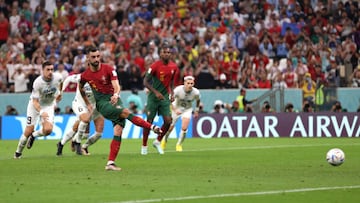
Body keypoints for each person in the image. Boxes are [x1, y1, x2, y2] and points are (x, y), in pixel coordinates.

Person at [78, 46, 162, 171]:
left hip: (115, 99)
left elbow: (116, 86)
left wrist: (116, 94)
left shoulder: (108, 69)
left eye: (98, 56)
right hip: (103, 104)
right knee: (125, 112)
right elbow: (81, 88)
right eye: (93, 57)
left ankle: (110, 163)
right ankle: (152, 127)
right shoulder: (85, 75)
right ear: (87, 58)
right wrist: (87, 103)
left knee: (118, 131)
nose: (96, 59)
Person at [14, 61, 63, 159]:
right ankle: (18, 153)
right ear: (42, 71)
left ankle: (34, 135)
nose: (50, 72)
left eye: (52, 69)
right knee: (28, 130)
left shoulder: (58, 77)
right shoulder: (38, 82)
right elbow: (35, 101)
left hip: (48, 105)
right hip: (34, 106)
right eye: (47, 70)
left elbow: (61, 83)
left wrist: (60, 93)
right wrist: (41, 112)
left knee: (48, 130)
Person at [141, 42, 180, 155]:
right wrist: (155, 92)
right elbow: (145, 81)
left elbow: (172, 82)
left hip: (164, 98)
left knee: (168, 121)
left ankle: (157, 141)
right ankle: (144, 146)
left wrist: (172, 93)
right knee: (149, 122)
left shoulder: (174, 67)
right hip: (153, 98)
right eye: (165, 52)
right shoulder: (154, 66)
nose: (167, 54)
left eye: (169, 52)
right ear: (160, 54)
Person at [56, 73, 105, 156]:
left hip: (94, 107)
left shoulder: (102, 80)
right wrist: (61, 92)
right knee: (85, 120)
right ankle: (77, 143)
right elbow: (68, 79)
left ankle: (70, 144)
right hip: (80, 104)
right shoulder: (81, 77)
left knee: (95, 134)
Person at [160, 76, 201, 152]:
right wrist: (175, 110)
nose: (190, 85)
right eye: (188, 83)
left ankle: (179, 144)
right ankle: (164, 141)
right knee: (170, 128)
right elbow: (169, 100)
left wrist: (197, 110)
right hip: (176, 109)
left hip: (187, 110)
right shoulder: (178, 90)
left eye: (191, 83)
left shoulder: (196, 92)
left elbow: (198, 100)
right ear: (184, 83)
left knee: (184, 128)